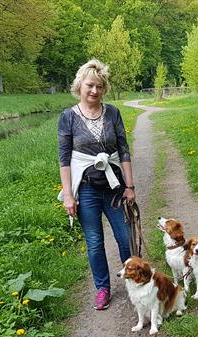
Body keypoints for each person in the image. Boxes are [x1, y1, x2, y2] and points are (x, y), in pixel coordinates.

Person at [58, 59, 136, 310]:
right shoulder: (68, 117)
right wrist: (68, 195)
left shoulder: (113, 113)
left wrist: (130, 186)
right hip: (87, 189)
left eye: (99, 87)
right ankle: (103, 288)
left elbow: (123, 150)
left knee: (125, 238)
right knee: (94, 242)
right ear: (79, 86)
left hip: (114, 188)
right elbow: (64, 159)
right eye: (90, 85)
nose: (94, 91)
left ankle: (136, 282)